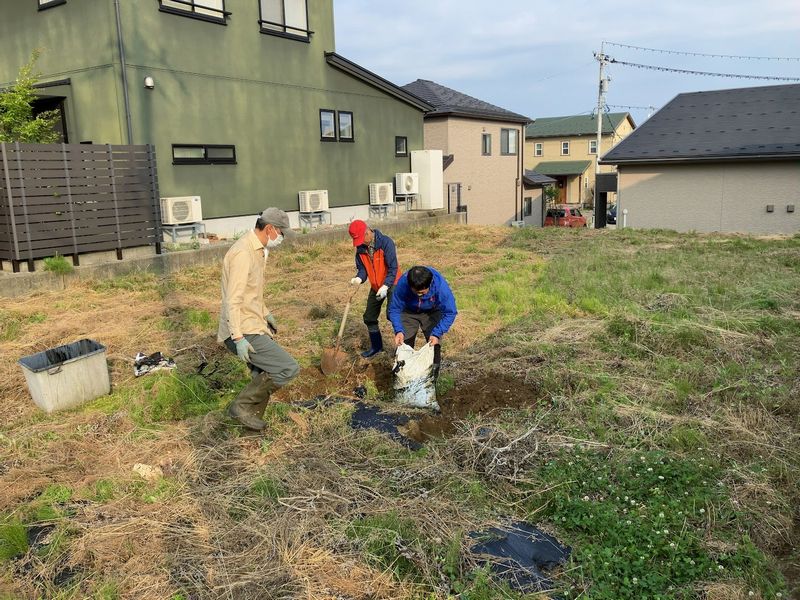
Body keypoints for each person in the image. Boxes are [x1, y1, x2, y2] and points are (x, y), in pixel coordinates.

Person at [217, 208, 300, 430]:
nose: (281, 238)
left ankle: (251, 431)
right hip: (243, 330)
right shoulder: (243, 253)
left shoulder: (258, 251)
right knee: (287, 368)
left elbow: (251, 293)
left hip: (253, 323)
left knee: (263, 375)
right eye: (281, 233)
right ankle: (239, 407)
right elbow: (233, 300)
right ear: (270, 229)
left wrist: (265, 313)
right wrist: (238, 337)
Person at [388, 265, 457, 379]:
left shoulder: (440, 286)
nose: (419, 295)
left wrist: (437, 333)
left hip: (432, 311)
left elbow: (450, 312)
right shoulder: (402, 284)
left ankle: (433, 378)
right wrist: (398, 330)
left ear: (429, 285)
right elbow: (394, 309)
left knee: (434, 345)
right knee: (404, 343)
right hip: (409, 311)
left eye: (422, 293)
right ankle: (404, 378)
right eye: (416, 292)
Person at [348, 219, 400, 358]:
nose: (359, 244)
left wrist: (386, 286)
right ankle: (377, 347)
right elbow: (362, 269)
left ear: (368, 232)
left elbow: (393, 268)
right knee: (369, 317)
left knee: (393, 315)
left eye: (360, 239)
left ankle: (402, 349)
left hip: (393, 283)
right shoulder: (360, 250)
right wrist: (359, 278)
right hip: (375, 285)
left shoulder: (385, 243)